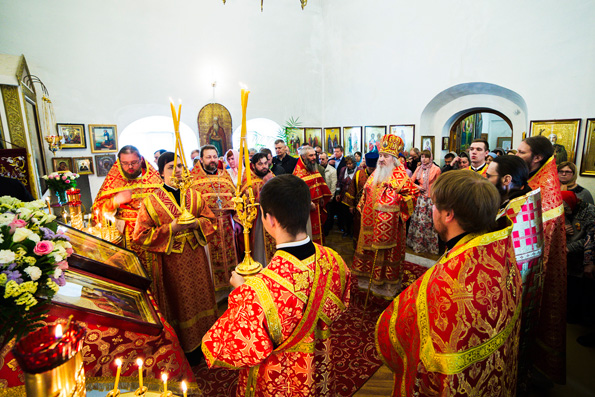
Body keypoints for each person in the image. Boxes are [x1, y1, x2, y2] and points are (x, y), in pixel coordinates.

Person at [202, 174, 352, 396]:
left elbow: (228, 348)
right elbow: (338, 310)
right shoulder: (335, 261)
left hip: (278, 379)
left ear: (269, 219)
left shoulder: (257, 290)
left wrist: (241, 291)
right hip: (318, 365)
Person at [376, 170, 522, 396]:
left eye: (434, 205)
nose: (431, 210)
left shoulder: (447, 280)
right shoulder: (497, 248)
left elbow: (397, 330)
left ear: (448, 215)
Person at [132, 152, 218, 361]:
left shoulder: (195, 195)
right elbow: (140, 236)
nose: (177, 171)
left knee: (201, 299)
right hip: (172, 264)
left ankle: (207, 341)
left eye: (180, 166)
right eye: (171, 167)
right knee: (180, 304)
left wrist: (197, 223)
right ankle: (185, 349)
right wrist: (171, 228)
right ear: (161, 173)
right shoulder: (151, 202)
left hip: (197, 259)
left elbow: (211, 221)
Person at [487, 155, 543, 393]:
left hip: (513, 289)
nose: (485, 179)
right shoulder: (526, 195)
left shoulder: (514, 211)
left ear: (507, 180)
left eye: (489, 176)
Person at [516, 135, 567, 384]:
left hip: (534, 271)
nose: (517, 156)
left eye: (521, 152)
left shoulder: (543, 190)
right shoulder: (531, 179)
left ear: (536, 157)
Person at [353, 134, 419, 299]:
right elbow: (365, 195)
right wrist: (362, 206)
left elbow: (413, 196)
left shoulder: (401, 177)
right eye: (380, 156)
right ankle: (367, 282)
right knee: (368, 254)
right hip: (369, 227)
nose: (381, 159)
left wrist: (394, 199)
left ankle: (386, 286)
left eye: (386, 156)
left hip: (391, 230)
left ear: (394, 159)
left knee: (386, 255)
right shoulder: (375, 174)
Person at [92, 145, 163, 273]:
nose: (130, 167)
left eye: (133, 163)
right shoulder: (113, 182)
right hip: (125, 237)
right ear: (119, 162)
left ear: (141, 160)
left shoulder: (154, 180)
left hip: (151, 234)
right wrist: (115, 201)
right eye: (125, 163)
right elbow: (97, 211)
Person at [190, 145, 239, 291]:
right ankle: (215, 294)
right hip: (207, 227)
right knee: (211, 262)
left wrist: (237, 220)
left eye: (214, 157)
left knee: (230, 259)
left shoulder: (225, 175)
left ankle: (230, 289)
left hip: (227, 225)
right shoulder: (193, 179)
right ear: (201, 159)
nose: (212, 160)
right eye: (208, 157)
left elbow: (235, 198)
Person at [562, 191, 595, 325]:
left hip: (584, 258)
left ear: (572, 203)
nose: (564, 211)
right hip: (569, 261)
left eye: (566, 208)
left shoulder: (590, 212)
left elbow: (591, 239)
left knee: (584, 292)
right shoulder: (564, 210)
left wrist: (570, 247)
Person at [238, 153, 276, 265]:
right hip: (257, 219)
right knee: (260, 246)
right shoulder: (249, 179)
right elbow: (248, 198)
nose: (264, 166)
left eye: (266, 163)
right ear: (253, 165)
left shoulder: (271, 175)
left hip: (272, 217)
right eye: (260, 164)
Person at [293, 146, 332, 245]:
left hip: (317, 207)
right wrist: (308, 203)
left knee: (319, 230)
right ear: (304, 157)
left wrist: (322, 196)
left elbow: (319, 183)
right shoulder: (298, 174)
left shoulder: (313, 168)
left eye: (314, 155)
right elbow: (296, 194)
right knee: (309, 233)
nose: (314, 157)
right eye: (311, 155)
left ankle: (320, 249)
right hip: (307, 210)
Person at [406, 149, 441, 254]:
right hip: (420, 198)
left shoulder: (436, 169)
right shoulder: (419, 168)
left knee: (429, 222)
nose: (424, 159)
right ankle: (417, 244)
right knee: (419, 222)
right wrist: (418, 187)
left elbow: (439, 184)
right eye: (422, 157)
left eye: (426, 157)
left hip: (431, 199)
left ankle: (429, 246)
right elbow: (410, 181)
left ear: (430, 157)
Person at [343, 152, 378, 248]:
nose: (372, 170)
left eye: (374, 168)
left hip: (375, 209)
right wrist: (351, 205)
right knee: (358, 227)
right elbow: (352, 189)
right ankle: (359, 247)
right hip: (360, 208)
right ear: (366, 165)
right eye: (370, 168)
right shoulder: (359, 173)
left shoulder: (380, 175)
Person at [335, 155, 357, 237]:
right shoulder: (343, 170)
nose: (348, 165)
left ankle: (353, 232)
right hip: (343, 196)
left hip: (353, 198)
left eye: (350, 164)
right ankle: (346, 231)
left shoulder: (358, 171)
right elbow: (339, 182)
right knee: (345, 214)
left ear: (354, 163)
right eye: (347, 164)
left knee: (352, 216)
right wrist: (337, 193)